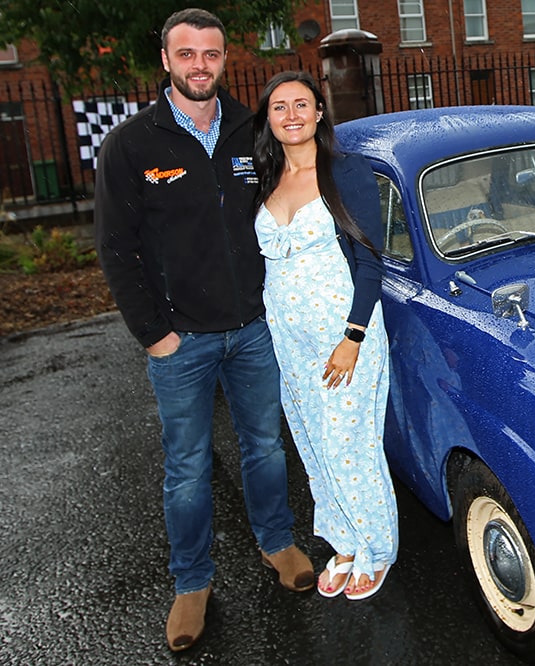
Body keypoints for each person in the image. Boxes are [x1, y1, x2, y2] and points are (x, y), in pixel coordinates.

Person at [94, 8, 314, 653]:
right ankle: (192, 583)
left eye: (211, 55)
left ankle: (278, 544)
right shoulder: (134, 143)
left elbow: (293, 200)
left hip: (252, 329)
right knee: (187, 468)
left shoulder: (253, 128)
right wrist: (153, 334)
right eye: (186, 55)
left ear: (224, 59)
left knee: (266, 450)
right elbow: (114, 246)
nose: (200, 66)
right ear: (166, 61)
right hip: (179, 340)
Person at [252, 71, 397, 601]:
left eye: (302, 104)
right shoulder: (265, 179)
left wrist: (353, 336)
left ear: (318, 113)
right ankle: (342, 542)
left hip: (344, 334)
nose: (291, 114)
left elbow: (368, 260)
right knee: (313, 443)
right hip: (289, 339)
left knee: (350, 445)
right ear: (268, 119)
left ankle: (374, 548)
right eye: (279, 107)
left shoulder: (346, 173)